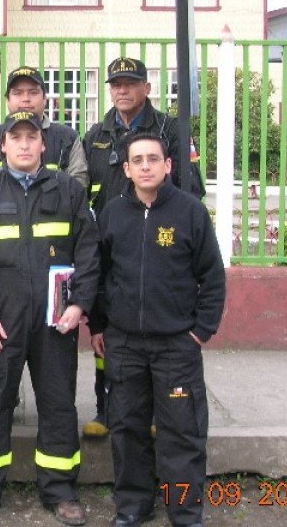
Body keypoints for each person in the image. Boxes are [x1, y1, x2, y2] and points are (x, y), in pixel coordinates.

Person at [0, 111, 100, 527]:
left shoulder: (69, 192)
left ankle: (59, 490)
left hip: (55, 321)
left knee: (58, 403)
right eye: (15, 137)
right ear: (1, 146)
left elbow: (89, 253)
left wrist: (79, 305)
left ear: (44, 145)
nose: (23, 144)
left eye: (31, 137)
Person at [95, 133, 225, 527]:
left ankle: (184, 511)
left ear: (168, 166)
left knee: (181, 433)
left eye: (154, 158)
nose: (146, 165)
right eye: (139, 160)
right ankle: (134, 506)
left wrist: (200, 330)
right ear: (127, 169)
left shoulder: (190, 212)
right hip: (125, 344)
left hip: (176, 346)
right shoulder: (112, 214)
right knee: (127, 428)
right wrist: (100, 325)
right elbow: (98, 276)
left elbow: (213, 277)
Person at [82, 57, 206, 439]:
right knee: (111, 328)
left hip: (160, 242)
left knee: (153, 333)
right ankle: (107, 410)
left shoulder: (169, 129)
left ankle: (155, 413)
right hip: (114, 242)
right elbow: (83, 193)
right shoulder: (95, 135)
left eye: (130, 83)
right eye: (115, 84)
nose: (122, 90)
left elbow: (192, 188)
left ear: (147, 88)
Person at [0, 66, 88, 191]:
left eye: (33, 92)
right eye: (17, 93)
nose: (26, 99)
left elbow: (77, 192)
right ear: (7, 100)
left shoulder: (68, 139)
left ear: (45, 99)